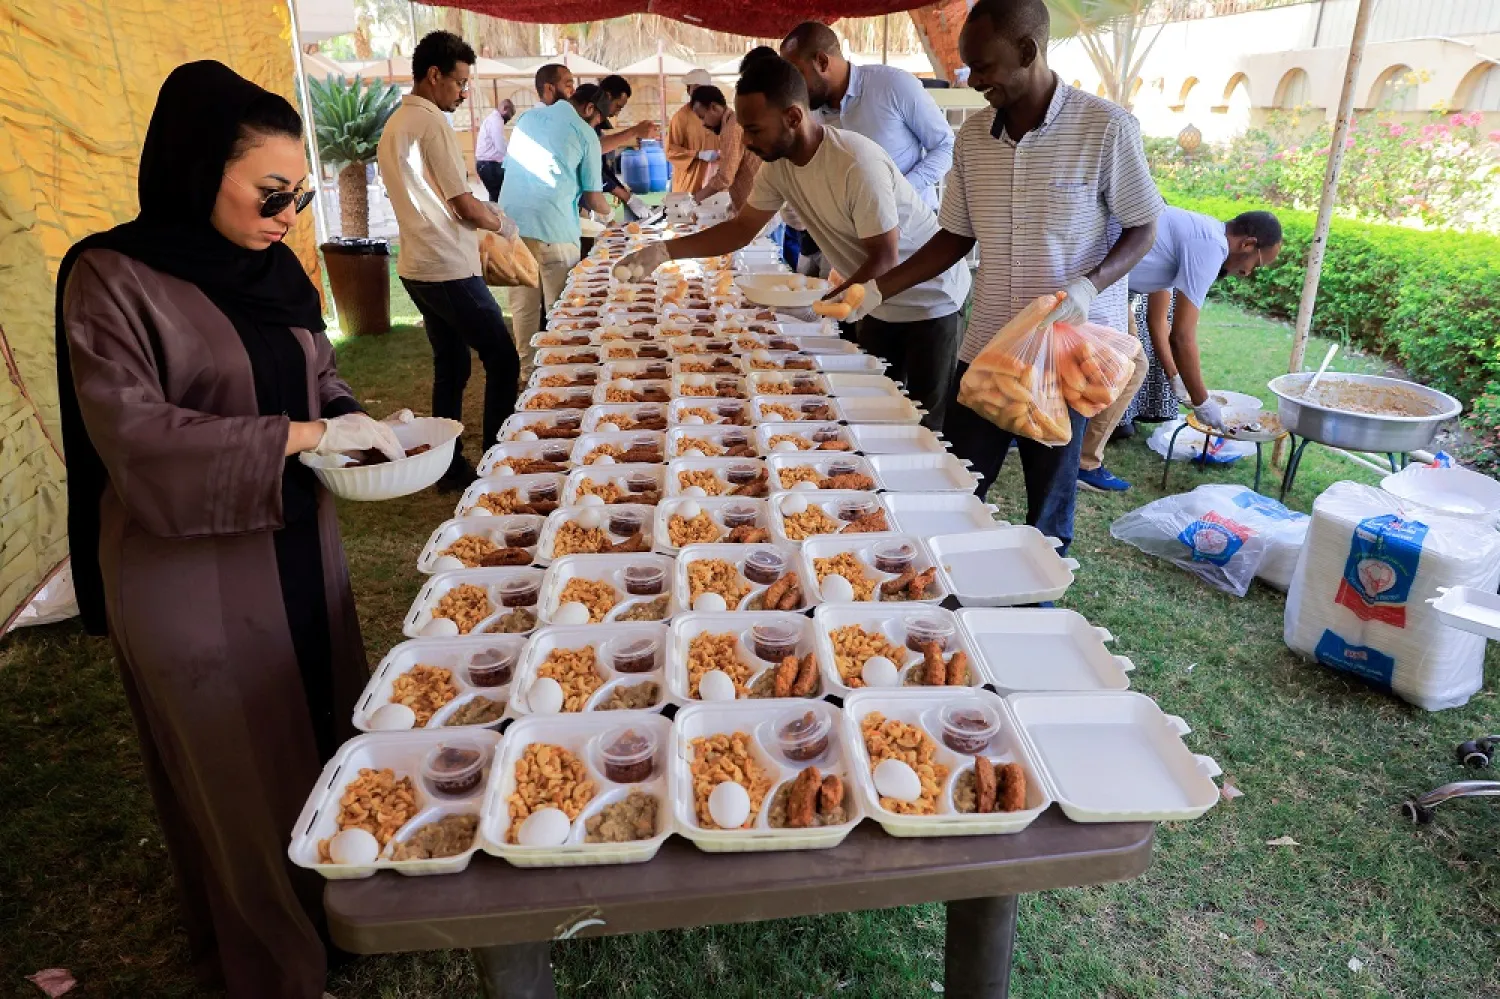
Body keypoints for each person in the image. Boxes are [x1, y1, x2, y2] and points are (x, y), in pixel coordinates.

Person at [55, 61, 390, 999]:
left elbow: (316, 366)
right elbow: (140, 440)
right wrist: (306, 434)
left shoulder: (272, 265)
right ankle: (273, 958)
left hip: (293, 541)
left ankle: (341, 901)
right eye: (270, 193)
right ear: (198, 167)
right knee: (236, 765)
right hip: (189, 572)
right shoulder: (111, 279)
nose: (288, 215)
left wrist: (354, 419)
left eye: (302, 194)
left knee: (323, 721)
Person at [856, 0, 1162, 551]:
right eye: (969, 67)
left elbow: (1144, 227)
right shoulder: (974, 138)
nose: (975, 82)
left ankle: (1039, 591)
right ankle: (947, 572)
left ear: (1027, 51)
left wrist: (1089, 286)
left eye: (985, 66)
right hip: (993, 340)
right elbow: (955, 236)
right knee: (958, 473)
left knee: (1050, 490)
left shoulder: (1106, 128)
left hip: (1069, 349)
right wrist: (876, 289)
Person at [615, 56, 970, 430]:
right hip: (872, 301)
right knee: (873, 412)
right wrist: (665, 252)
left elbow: (885, 258)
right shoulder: (779, 167)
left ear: (794, 118)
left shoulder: (854, 163)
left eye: (754, 130)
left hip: (927, 298)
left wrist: (820, 305)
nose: (747, 143)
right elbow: (741, 228)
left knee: (922, 423)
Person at [378, 30, 519, 488]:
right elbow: (462, 204)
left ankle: (447, 466)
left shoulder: (396, 124)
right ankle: (497, 462)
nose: (463, 91)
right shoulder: (431, 122)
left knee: (453, 364)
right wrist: (499, 222)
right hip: (445, 266)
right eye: (459, 82)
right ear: (433, 75)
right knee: (503, 357)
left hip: (417, 265)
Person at [1079, 207, 1283, 491]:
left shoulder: (1199, 232)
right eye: (1256, 264)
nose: (1247, 273)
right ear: (1247, 244)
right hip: (1094, 279)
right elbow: (1183, 337)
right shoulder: (1212, 246)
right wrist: (1203, 402)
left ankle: (1056, 444)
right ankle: (1082, 463)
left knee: (1128, 366)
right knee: (1129, 367)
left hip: (1111, 287)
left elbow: (1159, 320)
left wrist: (1175, 376)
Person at [780, 21, 954, 210]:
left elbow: (945, 146)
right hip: (851, 232)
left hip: (914, 227)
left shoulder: (893, 85)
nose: (793, 86)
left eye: (798, 75)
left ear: (822, 62)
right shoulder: (807, 109)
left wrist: (901, 191)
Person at [501, 82, 612, 374]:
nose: (598, 125)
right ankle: (559, 377)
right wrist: (612, 217)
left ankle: (527, 374)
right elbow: (593, 197)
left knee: (523, 308)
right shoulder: (585, 132)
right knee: (562, 312)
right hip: (555, 230)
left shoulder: (527, 119)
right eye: (600, 118)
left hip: (512, 228)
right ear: (590, 109)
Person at [595, 74, 660, 218]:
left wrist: (625, 194)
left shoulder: (597, 125)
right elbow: (593, 154)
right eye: (617, 106)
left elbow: (600, 165)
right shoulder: (586, 122)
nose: (616, 113)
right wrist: (626, 196)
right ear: (607, 96)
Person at [690, 84, 763, 211]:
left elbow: (725, 177)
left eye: (702, 117)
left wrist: (695, 199)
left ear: (714, 107)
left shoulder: (732, 128)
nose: (703, 124)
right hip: (758, 202)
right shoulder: (733, 122)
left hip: (759, 206)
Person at [665, 68, 721, 194]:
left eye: (702, 88)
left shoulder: (720, 114)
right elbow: (670, 150)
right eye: (695, 88)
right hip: (689, 182)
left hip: (716, 181)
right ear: (688, 90)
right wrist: (698, 154)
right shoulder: (680, 117)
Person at [475, 98, 514, 201]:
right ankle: (498, 217)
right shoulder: (497, 120)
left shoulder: (491, 119)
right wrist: (511, 160)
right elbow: (500, 145)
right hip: (489, 165)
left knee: (495, 196)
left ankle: (495, 216)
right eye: (507, 118)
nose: (506, 121)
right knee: (499, 197)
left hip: (484, 164)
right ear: (505, 109)